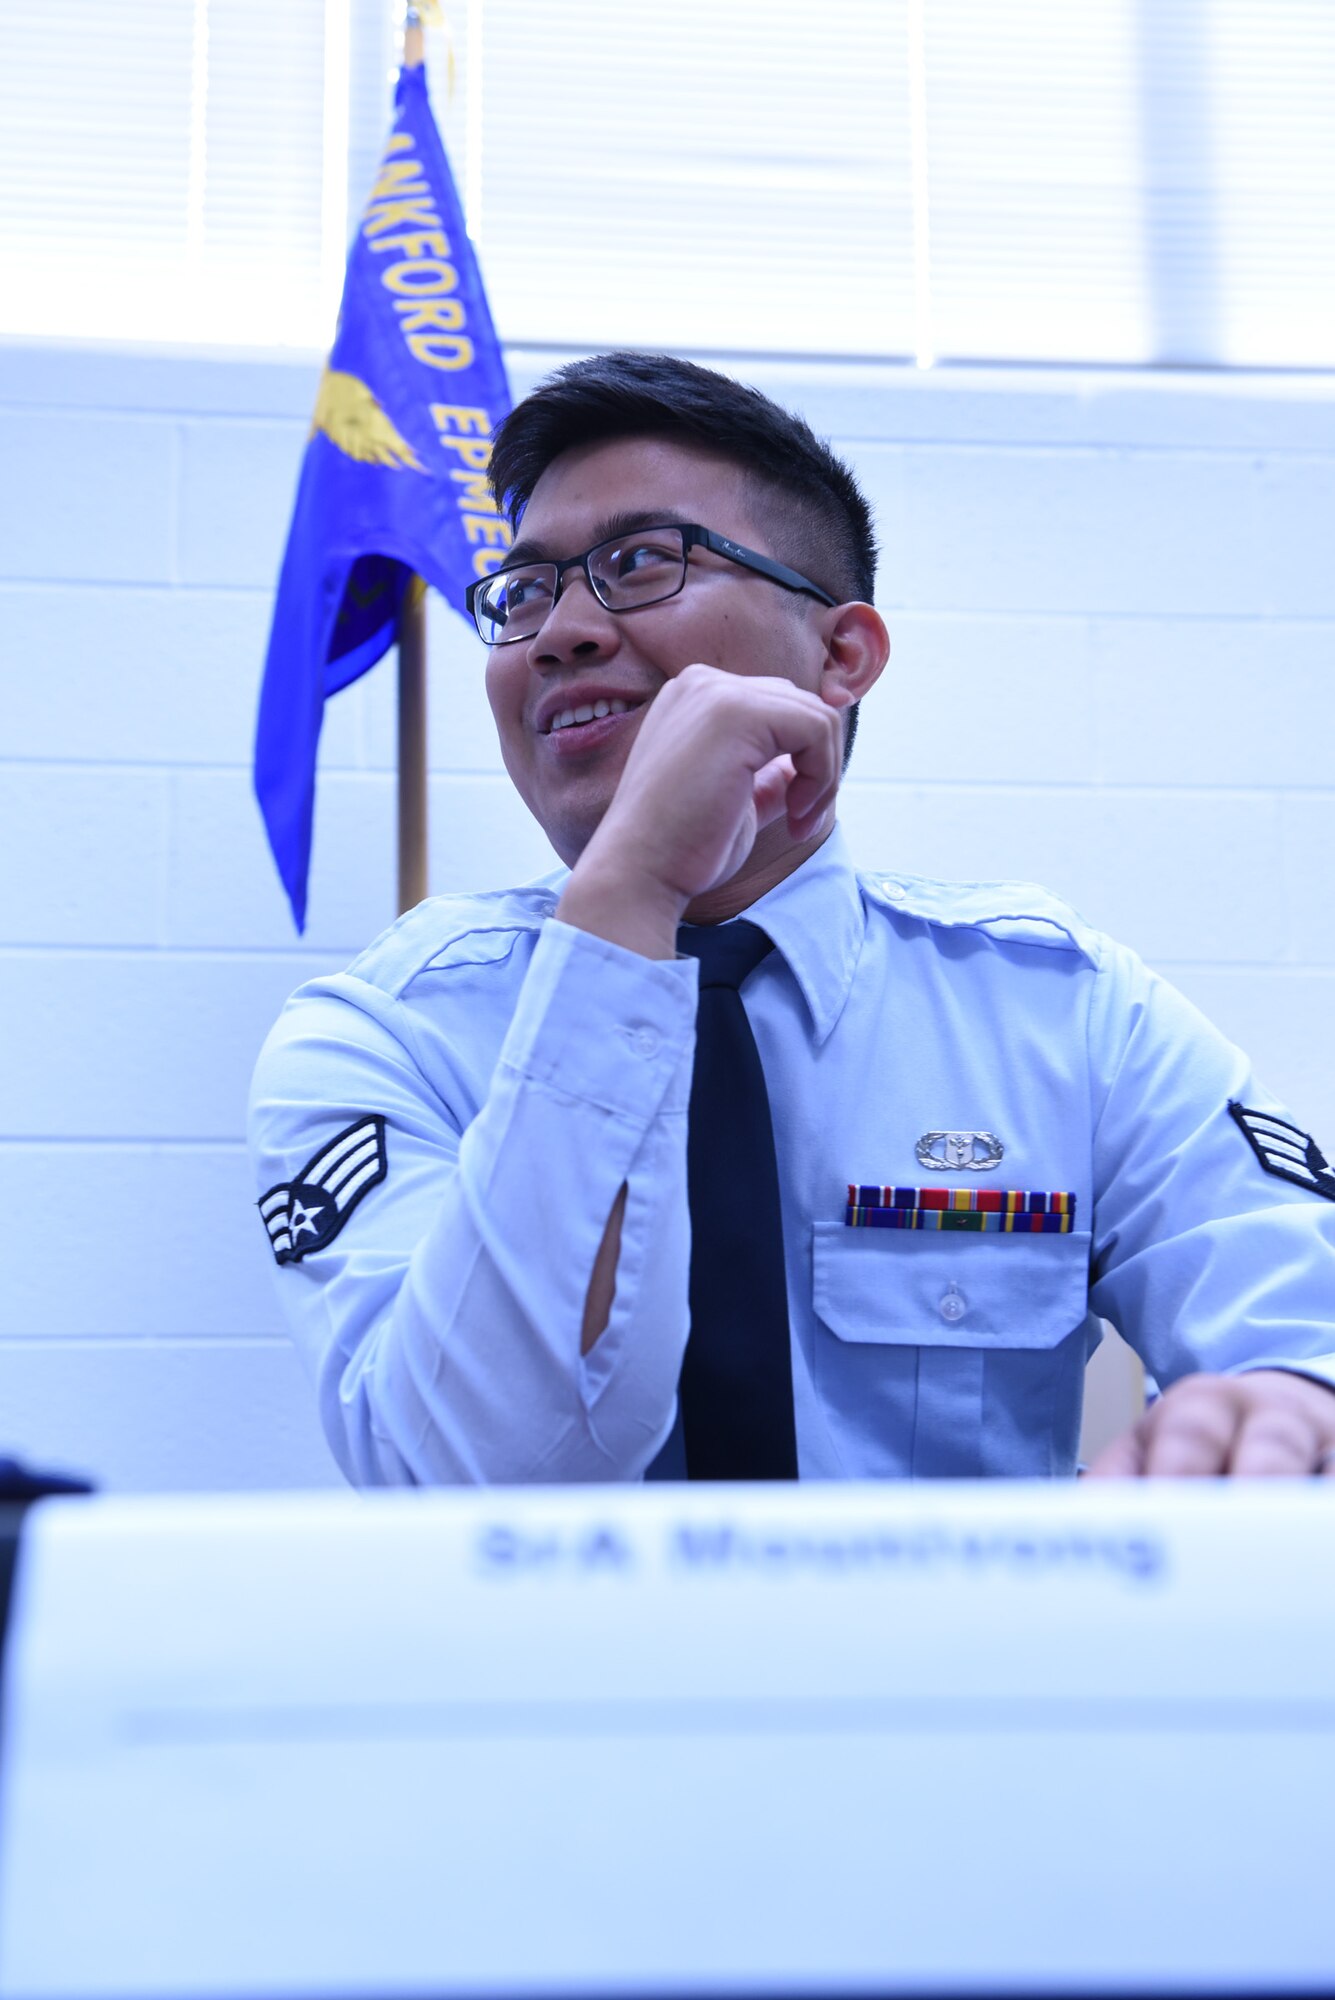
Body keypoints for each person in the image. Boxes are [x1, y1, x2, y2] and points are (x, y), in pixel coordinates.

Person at [248, 351, 1335, 1486]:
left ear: (841, 655)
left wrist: (1289, 1397)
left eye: (639, 561)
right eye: (522, 592)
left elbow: (1298, 1320)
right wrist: (624, 906)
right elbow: (476, 1472)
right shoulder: (381, 1036)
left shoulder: (1062, 1015)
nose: (559, 631)